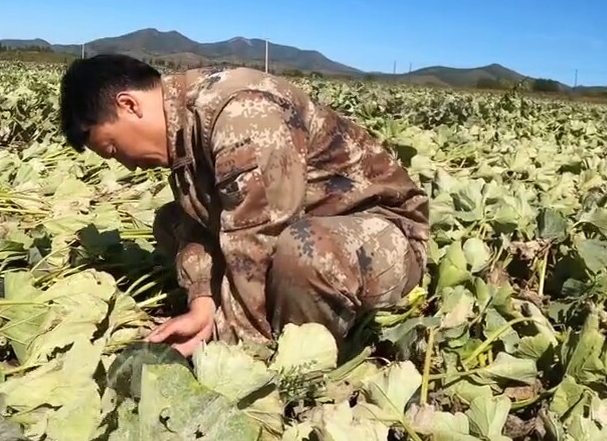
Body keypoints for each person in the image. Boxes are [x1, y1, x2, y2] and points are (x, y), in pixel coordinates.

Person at [58, 53, 429, 357]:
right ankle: (279, 309)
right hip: (302, 222)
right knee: (171, 220)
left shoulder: (239, 112)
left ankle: (299, 358)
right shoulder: (181, 128)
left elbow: (257, 235)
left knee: (303, 251)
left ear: (129, 105)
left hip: (380, 231)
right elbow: (199, 224)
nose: (126, 165)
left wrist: (234, 351)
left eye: (112, 148)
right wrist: (203, 302)